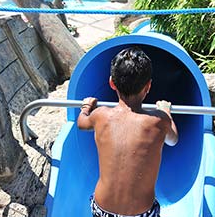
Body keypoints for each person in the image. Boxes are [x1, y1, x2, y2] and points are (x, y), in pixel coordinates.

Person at [77, 47, 179, 217]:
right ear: (148, 86)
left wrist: (86, 106)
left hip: (102, 210)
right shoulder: (159, 121)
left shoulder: (100, 115)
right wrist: (166, 112)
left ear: (111, 83)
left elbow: (81, 123)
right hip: (141, 213)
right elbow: (173, 139)